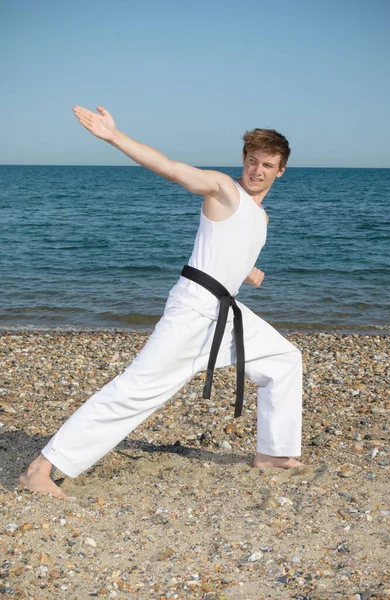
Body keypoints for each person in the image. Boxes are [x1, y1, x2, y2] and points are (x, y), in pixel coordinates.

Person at [19, 106, 303, 499]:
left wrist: (247, 271)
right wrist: (113, 136)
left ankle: (274, 452)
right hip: (193, 310)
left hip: (226, 311)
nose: (257, 170)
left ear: (280, 170)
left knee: (284, 359)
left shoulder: (262, 217)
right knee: (135, 391)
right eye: (252, 161)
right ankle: (42, 467)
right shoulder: (223, 189)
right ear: (243, 160)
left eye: (267, 164)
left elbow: (226, 249)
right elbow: (170, 167)